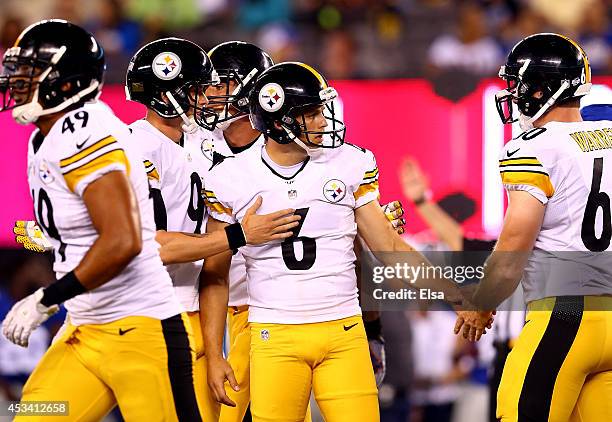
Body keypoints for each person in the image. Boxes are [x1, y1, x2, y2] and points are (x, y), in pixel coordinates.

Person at [201, 61, 492, 421]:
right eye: (310, 113)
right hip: (273, 334)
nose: (323, 121)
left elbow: (390, 248)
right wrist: (215, 353)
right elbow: (215, 275)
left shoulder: (348, 163)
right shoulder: (231, 178)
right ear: (279, 122)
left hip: (343, 330)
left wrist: (458, 297)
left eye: (321, 109)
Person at [0, 20, 200, 421]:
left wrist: (46, 298)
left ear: (66, 82)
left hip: (139, 330)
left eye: (32, 72)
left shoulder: (85, 130)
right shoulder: (47, 133)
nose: (18, 81)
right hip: (85, 327)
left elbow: (123, 241)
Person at [125, 37, 301, 421]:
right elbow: (164, 244)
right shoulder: (187, 142)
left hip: (282, 307)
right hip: (198, 300)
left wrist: (361, 211)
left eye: (221, 84)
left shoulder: (284, 148)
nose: (210, 95)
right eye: (206, 86)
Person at [469, 33, 612, 421]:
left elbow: (515, 244)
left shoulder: (533, 147)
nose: (513, 94)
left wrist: (481, 305)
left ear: (542, 87)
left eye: (518, 84)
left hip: (564, 319)